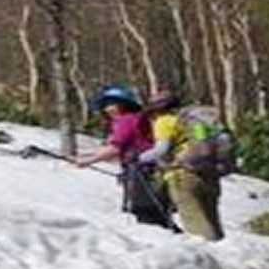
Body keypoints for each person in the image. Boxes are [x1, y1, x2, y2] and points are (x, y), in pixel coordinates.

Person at [74, 84, 173, 229]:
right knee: (155, 214)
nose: (108, 109)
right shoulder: (133, 119)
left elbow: (115, 148)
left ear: (124, 104)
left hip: (143, 173)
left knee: (147, 214)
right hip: (145, 171)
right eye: (106, 106)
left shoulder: (126, 121)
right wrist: (86, 156)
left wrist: (88, 161)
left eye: (113, 105)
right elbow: (118, 149)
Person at [139, 91, 227, 241]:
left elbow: (162, 149)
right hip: (209, 173)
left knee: (197, 227)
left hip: (182, 174)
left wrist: (140, 158)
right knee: (213, 223)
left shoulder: (164, 121)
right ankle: (227, 257)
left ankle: (209, 261)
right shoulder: (191, 121)